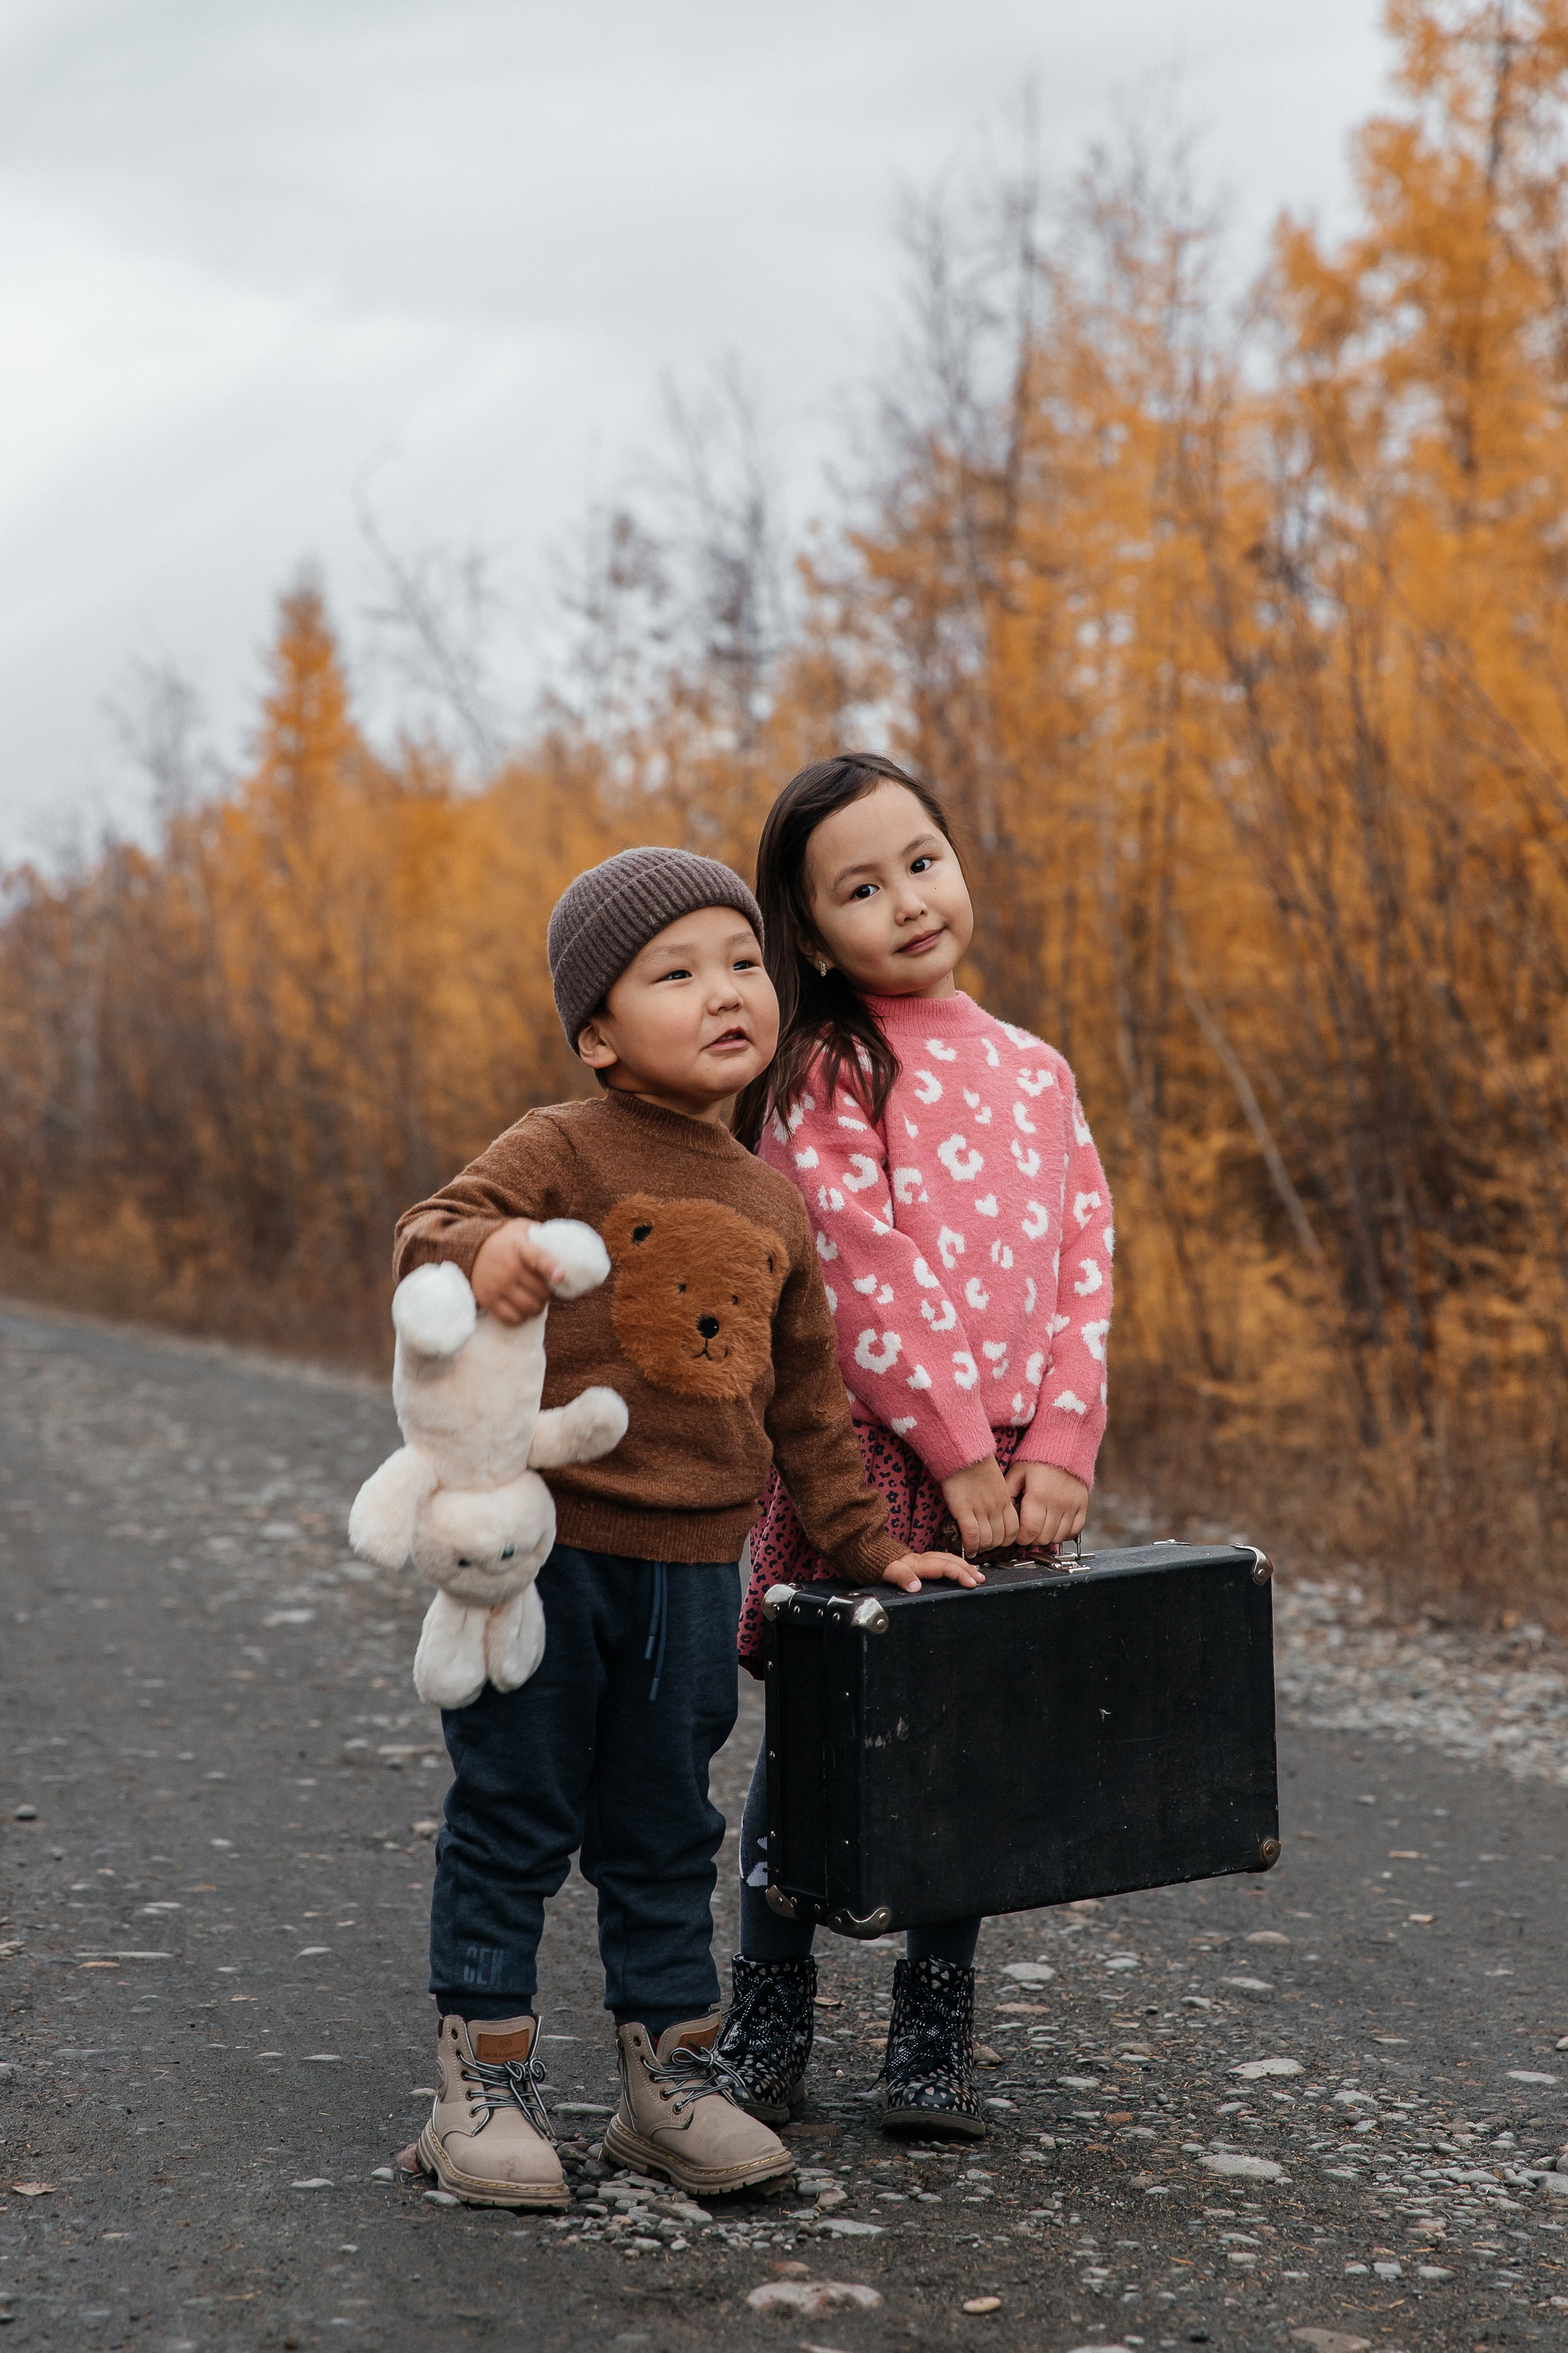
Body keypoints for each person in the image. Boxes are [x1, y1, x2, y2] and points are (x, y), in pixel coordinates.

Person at [392, 844, 975, 2210]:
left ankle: (669, 2082)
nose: (726, 990)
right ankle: (480, 2080)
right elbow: (431, 1227)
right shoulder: (560, 1143)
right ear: (597, 1030)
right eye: (677, 973)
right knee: (515, 1812)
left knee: (667, 1827)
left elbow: (812, 1410)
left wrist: (876, 1545)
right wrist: (493, 1256)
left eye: (743, 963)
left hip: (696, 1577)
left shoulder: (773, 1199)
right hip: (544, 1558)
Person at [719, 754, 1114, 2138]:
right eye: (862, 888)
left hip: (1022, 1474)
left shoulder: (1036, 1071)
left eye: (924, 860)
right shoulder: (829, 1071)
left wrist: (1060, 1437)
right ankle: (768, 2007)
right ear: (815, 935)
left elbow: (1084, 1263)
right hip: (883, 1463)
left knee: (973, 1742)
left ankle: (933, 2030)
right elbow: (859, 1274)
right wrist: (954, 1454)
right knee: (821, 1732)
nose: (907, 900)